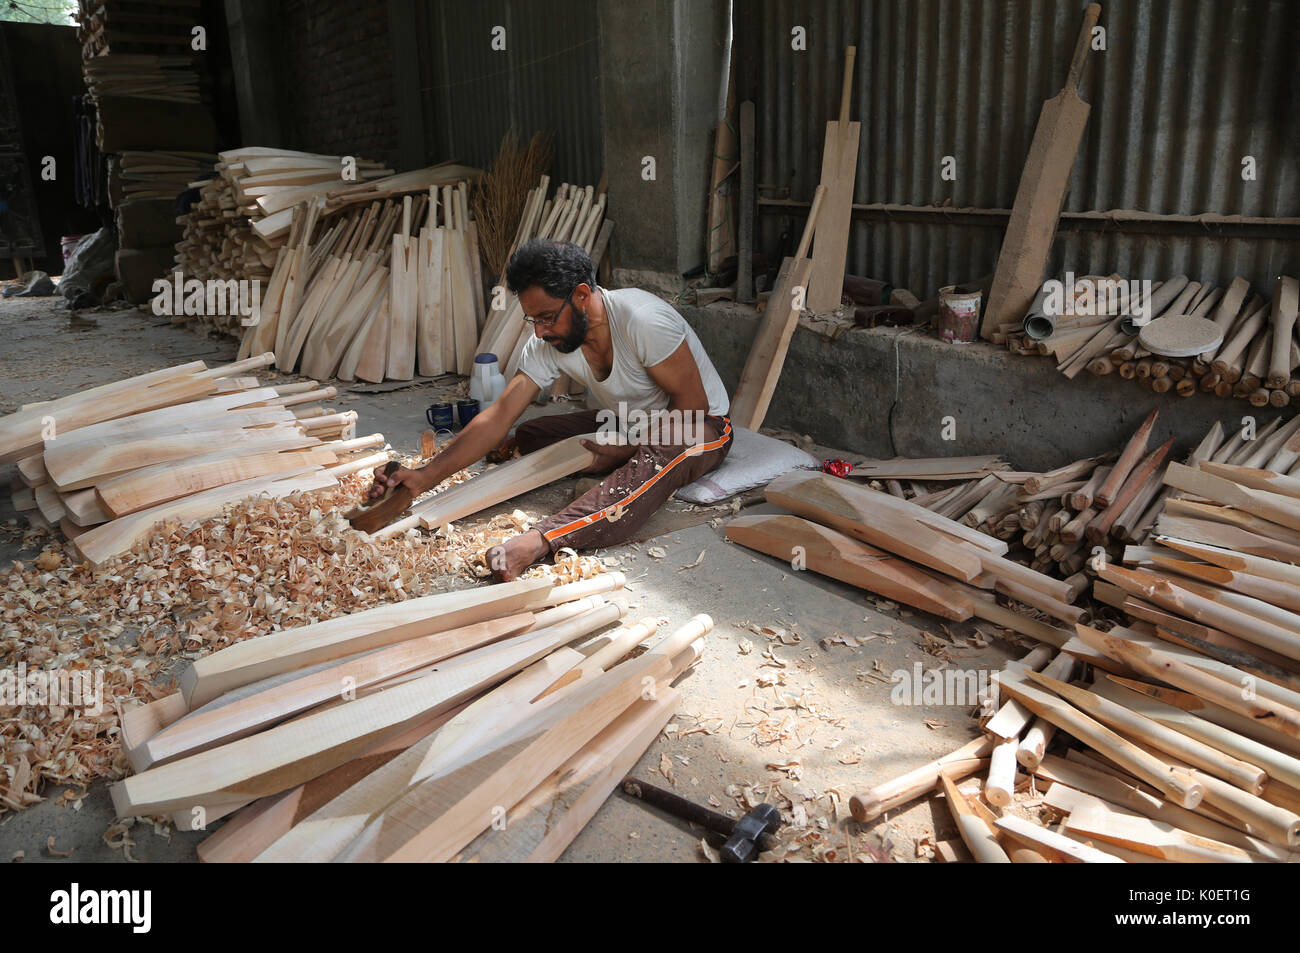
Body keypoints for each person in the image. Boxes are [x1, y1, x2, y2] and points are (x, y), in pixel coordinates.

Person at [369, 239, 733, 581]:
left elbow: (692, 407)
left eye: (546, 317)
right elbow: (498, 415)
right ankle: (622, 458)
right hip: (627, 423)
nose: (540, 332)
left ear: (582, 295)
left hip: (699, 426)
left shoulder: (642, 319)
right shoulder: (548, 342)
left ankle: (544, 539)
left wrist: (627, 450)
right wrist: (423, 477)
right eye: (533, 320)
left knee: (661, 454)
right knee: (531, 434)